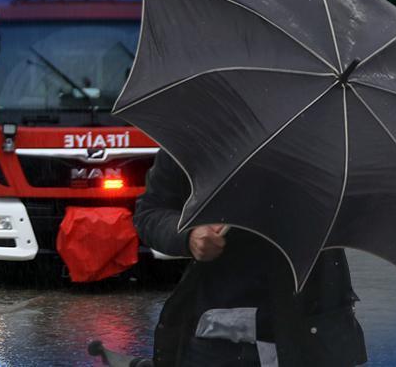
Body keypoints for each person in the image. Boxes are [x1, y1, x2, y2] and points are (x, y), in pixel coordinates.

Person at [134, 151, 367, 366]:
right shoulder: (196, 132)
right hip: (222, 334)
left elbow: (361, 210)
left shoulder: (331, 137)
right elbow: (151, 213)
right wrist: (188, 236)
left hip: (315, 324)